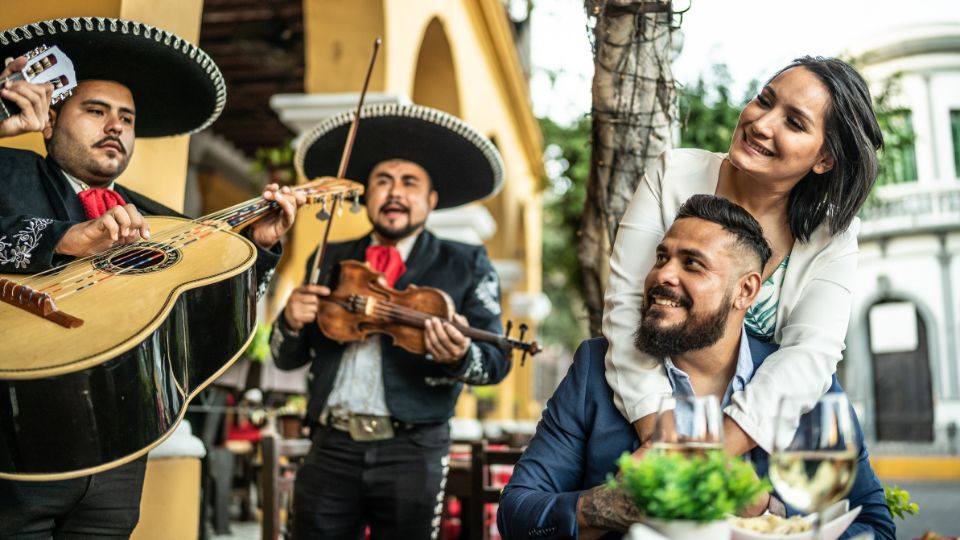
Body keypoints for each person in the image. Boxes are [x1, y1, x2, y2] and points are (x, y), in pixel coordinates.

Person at [0, 17, 303, 537]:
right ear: (49, 120)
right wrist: (65, 238)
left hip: (120, 445)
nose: (114, 126)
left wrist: (263, 247)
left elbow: (211, 306)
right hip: (16, 441)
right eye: (95, 111)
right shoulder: (7, 172)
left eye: (127, 118)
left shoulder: (162, 221)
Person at [498, 195, 895, 540]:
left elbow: (876, 527)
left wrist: (766, 512)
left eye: (692, 264)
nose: (662, 275)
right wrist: (610, 506)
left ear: (746, 290)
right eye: (662, 257)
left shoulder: (807, 385)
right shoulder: (594, 370)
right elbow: (517, 514)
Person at [603, 56, 884, 454]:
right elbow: (627, 308)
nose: (761, 123)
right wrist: (662, 440)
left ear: (825, 159)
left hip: (750, 444)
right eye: (764, 100)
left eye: (794, 122)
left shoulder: (833, 236)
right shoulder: (673, 175)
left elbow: (810, 353)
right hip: (641, 421)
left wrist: (713, 458)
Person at [271, 103, 513, 539]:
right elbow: (286, 358)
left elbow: (495, 360)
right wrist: (289, 321)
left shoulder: (466, 263)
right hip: (331, 446)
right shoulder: (328, 257)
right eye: (383, 181)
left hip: (413, 448)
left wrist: (460, 354)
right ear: (367, 194)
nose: (395, 192)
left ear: (431, 199)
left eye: (409, 183)